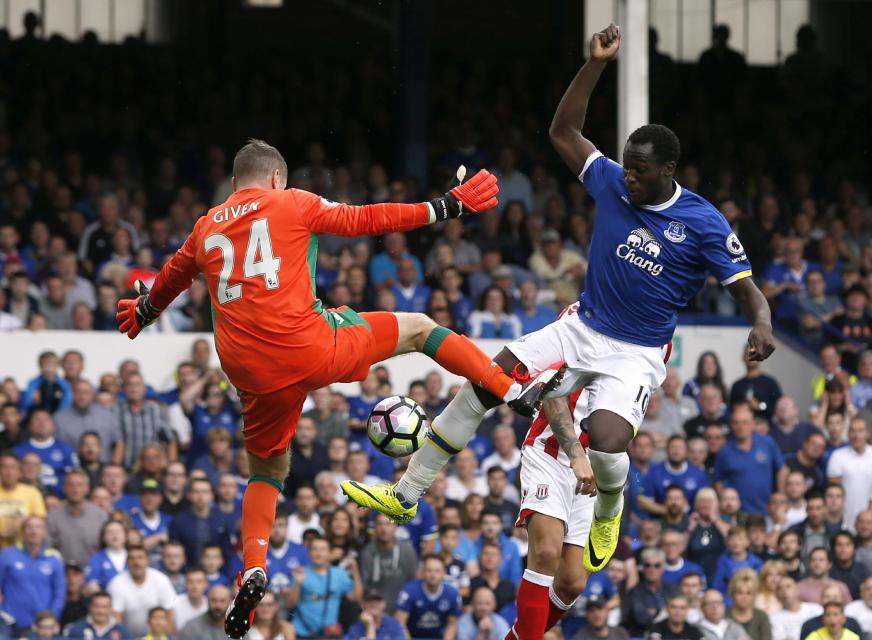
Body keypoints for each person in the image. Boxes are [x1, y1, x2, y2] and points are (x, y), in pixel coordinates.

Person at [347, 24, 776, 580]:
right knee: (486, 379)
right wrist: (595, 64)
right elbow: (563, 130)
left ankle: (610, 507)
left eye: (640, 171)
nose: (628, 176)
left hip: (637, 351)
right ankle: (408, 492)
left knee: (606, 440)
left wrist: (761, 324)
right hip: (581, 326)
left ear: (668, 172)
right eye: (625, 164)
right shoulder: (613, 183)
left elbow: (745, 289)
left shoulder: (703, 222)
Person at [115, 140, 558, 638]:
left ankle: (255, 565)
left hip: (249, 372)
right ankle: (510, 388)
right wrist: (445, 206)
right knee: (417, 328)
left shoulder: (205, 225)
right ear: (277, 178)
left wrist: (146, 310)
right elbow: (364, 219)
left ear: (235, 184)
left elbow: (170, 279)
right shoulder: (291, 202)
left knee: (266, 469)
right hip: (307, 347)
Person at [505, 393, 595, 639]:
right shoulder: (578, 354)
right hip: (549, 453)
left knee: (572, 582)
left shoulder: (642, 361)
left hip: (596, 466)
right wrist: (577, 455)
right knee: (545, 553)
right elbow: (553, 396)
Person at [714, 403, 786, 515]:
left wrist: (781, 495)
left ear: (753, 424)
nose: (740, 427)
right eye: (736, 423)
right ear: (731, 425)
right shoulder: (725, 451)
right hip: (738, 513)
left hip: (767, 510)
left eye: (745, 422)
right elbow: (718, 481)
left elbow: (782, 469)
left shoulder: (767, 442)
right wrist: (726, 503)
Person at [0, 516, 66, 636]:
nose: (33, 531)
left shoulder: (53, 559)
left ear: (45, 532)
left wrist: (52, 617)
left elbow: (60, 592)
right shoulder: (7, 555)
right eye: (29, 527)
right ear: (23, 532)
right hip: (9, 621)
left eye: (38, 527)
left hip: (42, 625)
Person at [287, 536, 359, 638]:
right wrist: (298, 584)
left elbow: (355, 597)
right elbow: (290, 605)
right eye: (315, 549)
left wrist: (355, 572)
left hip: (329, 634)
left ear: (329, 553)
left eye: (322, 549)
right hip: (302, 632)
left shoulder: (339, 574)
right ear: (309, 552)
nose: (318, 553)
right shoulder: (301, 572)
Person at [827, 417, 872, 528]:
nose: (856, 435)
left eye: (860, 430)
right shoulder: (837, 456)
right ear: (848, 434)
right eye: (852, 431)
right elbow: (834, 492)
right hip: (847, 521)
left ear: (868, 433)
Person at [106, 545, 177, 638]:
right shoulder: (116, 584)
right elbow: (115, 621)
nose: (137, 562)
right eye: (132, 558)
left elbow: (169, 615)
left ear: (147, 561)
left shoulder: (161, 580)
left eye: (140, 558)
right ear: (127, 563)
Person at [46, 469, 108, 567]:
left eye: (79, 485)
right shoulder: (53, 517)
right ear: (64, 488)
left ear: (87, 488)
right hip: (64, 574)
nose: (75, 489)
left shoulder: (100, 516)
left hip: (94, 574)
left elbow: (107, 550)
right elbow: (48, 550)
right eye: (71, 485)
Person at [360, 513, 418, 611]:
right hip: (375, 610)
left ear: (396, 527)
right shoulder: (367, 552)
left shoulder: (407, 551)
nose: (384, 529)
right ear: (374, 528)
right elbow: (365, 586)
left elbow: (413, 583)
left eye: (388, 524)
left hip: (402, 610)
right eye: (380, 524)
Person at [396, 554, 462, 640]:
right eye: (429, 570)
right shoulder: (409, 591)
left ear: (444, 572)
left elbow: (452, 624)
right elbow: (400, 622)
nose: (433, 575)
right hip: (412, 637)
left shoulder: (452, 594)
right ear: (423, 572)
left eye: (437, 571)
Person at [63, 590, 131, 639]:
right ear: (90, 607)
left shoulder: (122, 631)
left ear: (111, 609)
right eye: (96, 606)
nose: (100, 611)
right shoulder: (76, 629)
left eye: (104, 607)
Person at [727, 569, 772, 640]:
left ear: (754, 595)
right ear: (732, 594)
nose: (744, 597)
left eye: (748, 593)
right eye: (739, 592)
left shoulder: (762, 617)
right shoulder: (724, 616)